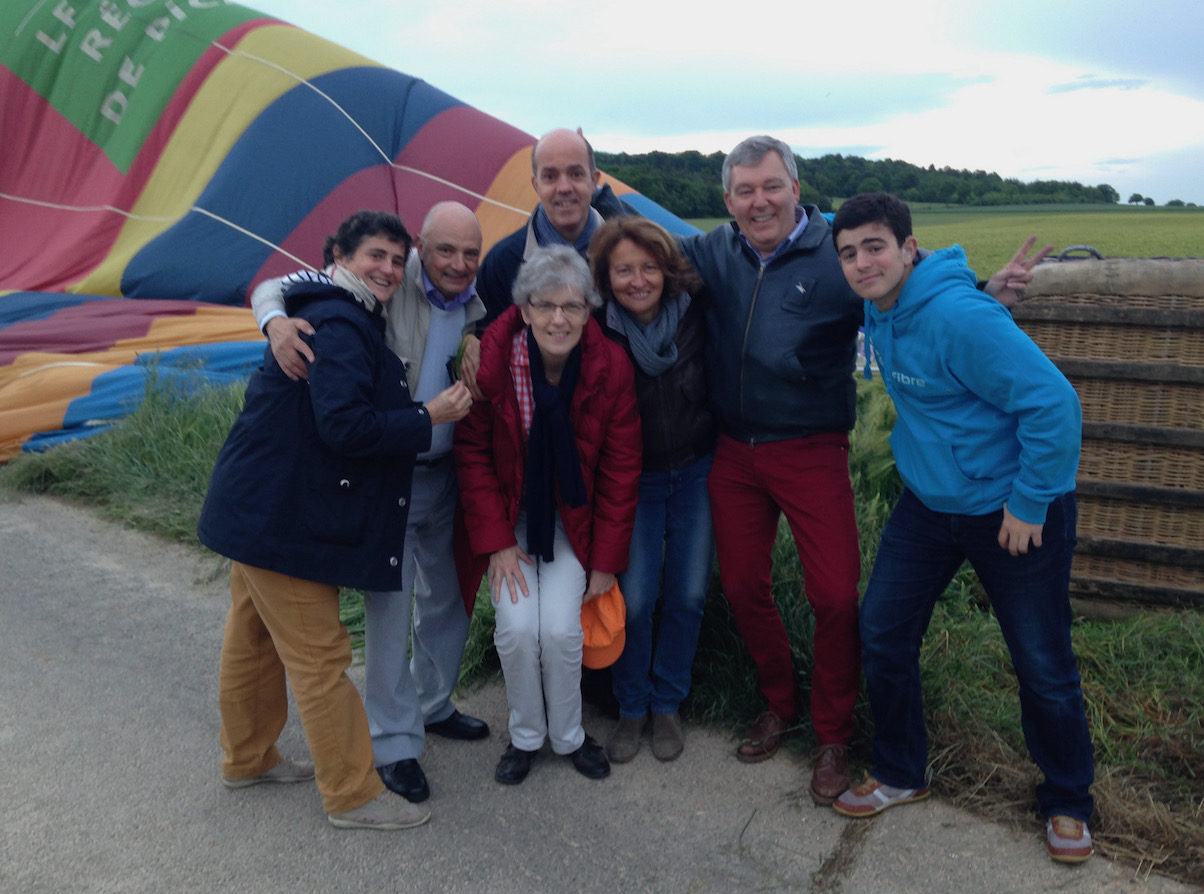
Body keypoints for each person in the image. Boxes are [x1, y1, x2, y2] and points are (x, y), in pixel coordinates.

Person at [678, 135, 1049, 806]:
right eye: (744, 191)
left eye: (771, 186)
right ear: (727, 200)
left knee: (836, 597)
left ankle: (832, 734)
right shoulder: (712, 250)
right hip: (734, 451)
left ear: (796, 187)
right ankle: (776, 701)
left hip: (811, 446)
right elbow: (632, 257)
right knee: (741, 583)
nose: (759, 201)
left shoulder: (839, 252)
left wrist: (989, 293)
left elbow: (919, 283)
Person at [829, 192, 1094, 865]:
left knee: (1040, 660)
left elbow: (1054, 404)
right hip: (930, 504)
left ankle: (1068, 799)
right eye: (849, 252)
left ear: (908, 248)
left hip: (1013, 507)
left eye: (875, 247)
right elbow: (931, 301)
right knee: (883, 629)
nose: (862, 263)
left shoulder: (957, 317)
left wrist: (1029, 503)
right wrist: (986, 286)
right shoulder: (883, 305)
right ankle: (900, 770)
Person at [198, 210, 473, 830]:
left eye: (397, 261)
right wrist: (427, 414)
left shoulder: (321, 303)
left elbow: (276, 288)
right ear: (340, 256)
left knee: (253, 638)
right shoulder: (343, 325)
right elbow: (344, 426)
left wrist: (271, 317)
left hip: (256, 501)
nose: (388, 269)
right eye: (376, 255)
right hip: (280, 515)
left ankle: (247, 758)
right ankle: (352, 793)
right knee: (321, 654)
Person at [454, 245, 641, 785]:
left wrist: (605, 562)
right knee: (516, 630)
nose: (559, 318)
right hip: (510, 519)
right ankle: (526, 737)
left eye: (573, 306)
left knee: (561, 632)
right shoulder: (494, 365)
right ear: (525, 309)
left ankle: (570, 737)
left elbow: (621, 470)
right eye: (546, 305)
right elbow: (472, 455)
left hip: (572, 523)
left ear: (589, 311)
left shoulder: (611, 367)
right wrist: (495, 542)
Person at [588, 217, 714, 763]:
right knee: (635, 600)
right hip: (632, 482)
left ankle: (667, 704)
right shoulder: (595, 329)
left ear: (666, 269)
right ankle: (631, 706)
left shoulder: (700, 314)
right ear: (605, 277)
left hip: (695, 470)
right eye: (623, 270)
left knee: (687, 594)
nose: (637, 280)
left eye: (647, 267)